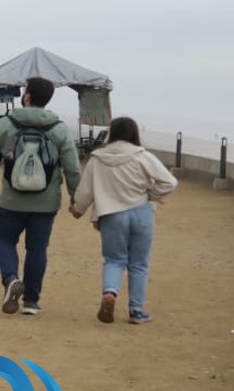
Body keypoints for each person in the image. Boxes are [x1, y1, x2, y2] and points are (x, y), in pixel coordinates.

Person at [0, 76, 81, 316]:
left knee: (4, 239)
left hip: (11, 201)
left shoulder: (7, 123)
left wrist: (6, 151)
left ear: (27, 96)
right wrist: (76, 199)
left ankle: (11, 279)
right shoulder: (59, 129)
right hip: (46, 203)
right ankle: (31, 302)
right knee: (37, 249)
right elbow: (73, 169)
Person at [69, 116, 177, 324]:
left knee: (114, 260)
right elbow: (169, 182)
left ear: (112, 133)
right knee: (139, 263)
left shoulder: (97, 159)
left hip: (111, 215)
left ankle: (110, 293)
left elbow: (85, 191)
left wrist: (77, 209)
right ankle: (136, 310)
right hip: (141, 211)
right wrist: (151, 195)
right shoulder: (142, 156)